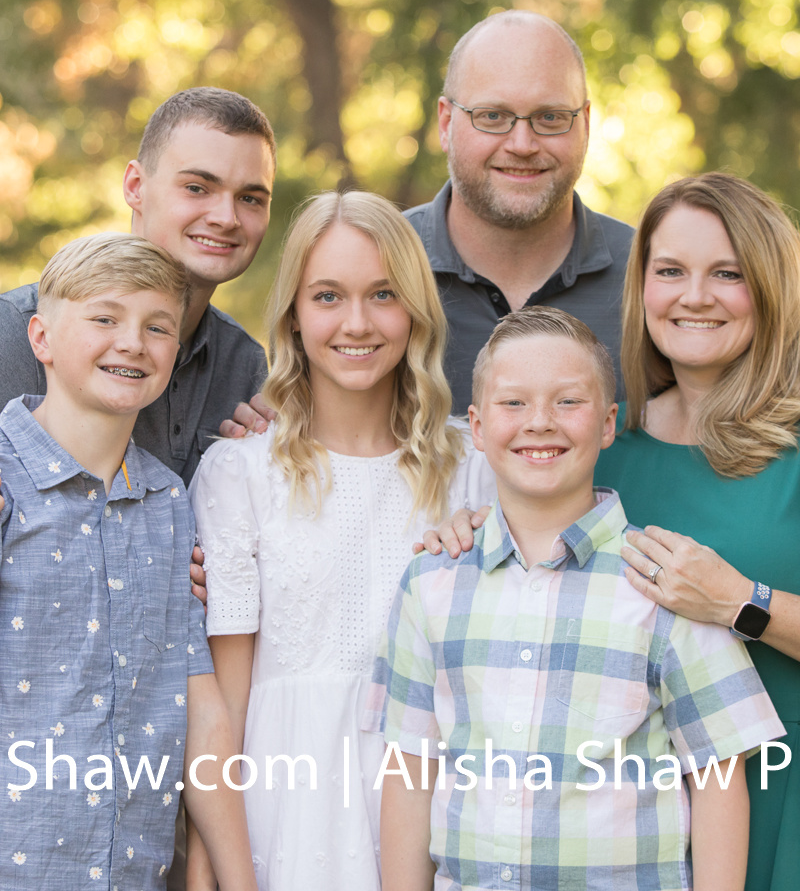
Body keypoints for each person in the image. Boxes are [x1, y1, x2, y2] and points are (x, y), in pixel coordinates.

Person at [368, 306, 784, 891]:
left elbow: (717, 779)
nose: (540, 422)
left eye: (568, 401)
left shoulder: (665, 583)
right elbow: (409, 772)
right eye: (513, 403)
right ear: (478, 426)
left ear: (609, 423)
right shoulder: (431, 581)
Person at [185, 192, 496, 890]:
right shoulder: (238, 473)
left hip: (437, 810)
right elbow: (224, 705)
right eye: (328, 295)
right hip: (285, 812)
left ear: (415, 308)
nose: (357, 323)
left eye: (383, 294)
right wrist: (208, 860)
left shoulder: (474, 470)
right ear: (293, 313)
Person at [0, 233, 257, 890]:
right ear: (41, 338)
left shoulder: (167, 502)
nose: (132, 342)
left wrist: (240, 880)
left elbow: (200, 707)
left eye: (157, 327)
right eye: (104, 318)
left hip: (129, 871)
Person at [594, 172, 800, 891]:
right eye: (670, 271)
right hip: (635, 814)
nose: (694, 296)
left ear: (770, 288)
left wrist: (740, 601)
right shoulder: (601, 451)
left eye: (727, 274)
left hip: (786, 795)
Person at [0, 87, 275, 484]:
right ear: (135, 186)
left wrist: (267, 444)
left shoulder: (243, 364)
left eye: (250, 198)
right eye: (197, 188)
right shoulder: (15, 331)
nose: (226, 217)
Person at [404, 10, 633, 412]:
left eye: (550, 117)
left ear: (587, 125)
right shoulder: (377, 266)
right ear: (445, 123)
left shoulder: (653, 281)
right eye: (493, 116)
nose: (523, 144)